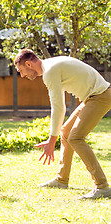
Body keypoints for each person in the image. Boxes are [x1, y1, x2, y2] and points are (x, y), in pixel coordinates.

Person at [14, 49, 111, 200]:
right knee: (66, 132)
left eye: (21, 70)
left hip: (100, 96)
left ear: (29, 64)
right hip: (94, 96)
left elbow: (59, 107)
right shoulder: (51, 64)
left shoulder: (50, 71)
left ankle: (102, 186)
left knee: (76, 138)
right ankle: (61, 180)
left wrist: (51, 141)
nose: (22, 75)